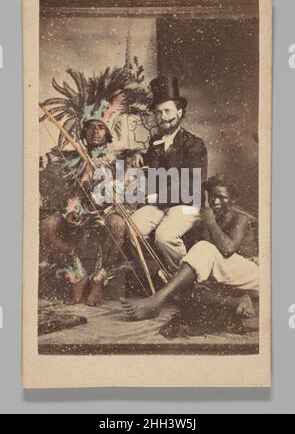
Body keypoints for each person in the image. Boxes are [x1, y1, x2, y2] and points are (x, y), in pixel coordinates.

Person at [40, 67, 150, 306]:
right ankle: (78, 275)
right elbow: (68, 194)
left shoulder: (123, 159)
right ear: (84, 131)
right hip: (82, 213)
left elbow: (132, 195)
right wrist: (72, 208)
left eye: (101, 127)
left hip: (109, 211)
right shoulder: (73, 157)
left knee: (118, 224)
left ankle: (99, 280)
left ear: (108, 132)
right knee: (49, 224)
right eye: (90, 127)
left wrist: (115, 189)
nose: (95, 132)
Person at [121, 175, 259, 321]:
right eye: (212, 197)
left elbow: (227, 249)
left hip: (251, 275)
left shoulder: (240, 218)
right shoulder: (210, 215)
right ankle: (238, 301)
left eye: (222, 197)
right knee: (188, 287)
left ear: (233, 200)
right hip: (227, 279)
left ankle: (156, 301)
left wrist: (210, 222)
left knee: (203, 248)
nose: (215, 202)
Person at [131, 76, 208, 273]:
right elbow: (152, 166)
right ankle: (158, 273)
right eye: (158, 112)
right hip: (160, 205)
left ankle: (182, 280)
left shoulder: (194, 144)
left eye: (167, 111)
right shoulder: (155, 143)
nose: (163, 117)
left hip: (187, 205)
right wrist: (139, 156)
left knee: (165, 236)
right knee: (132, 227)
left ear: (179, 112)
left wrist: (156, 197)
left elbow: (192, 186)